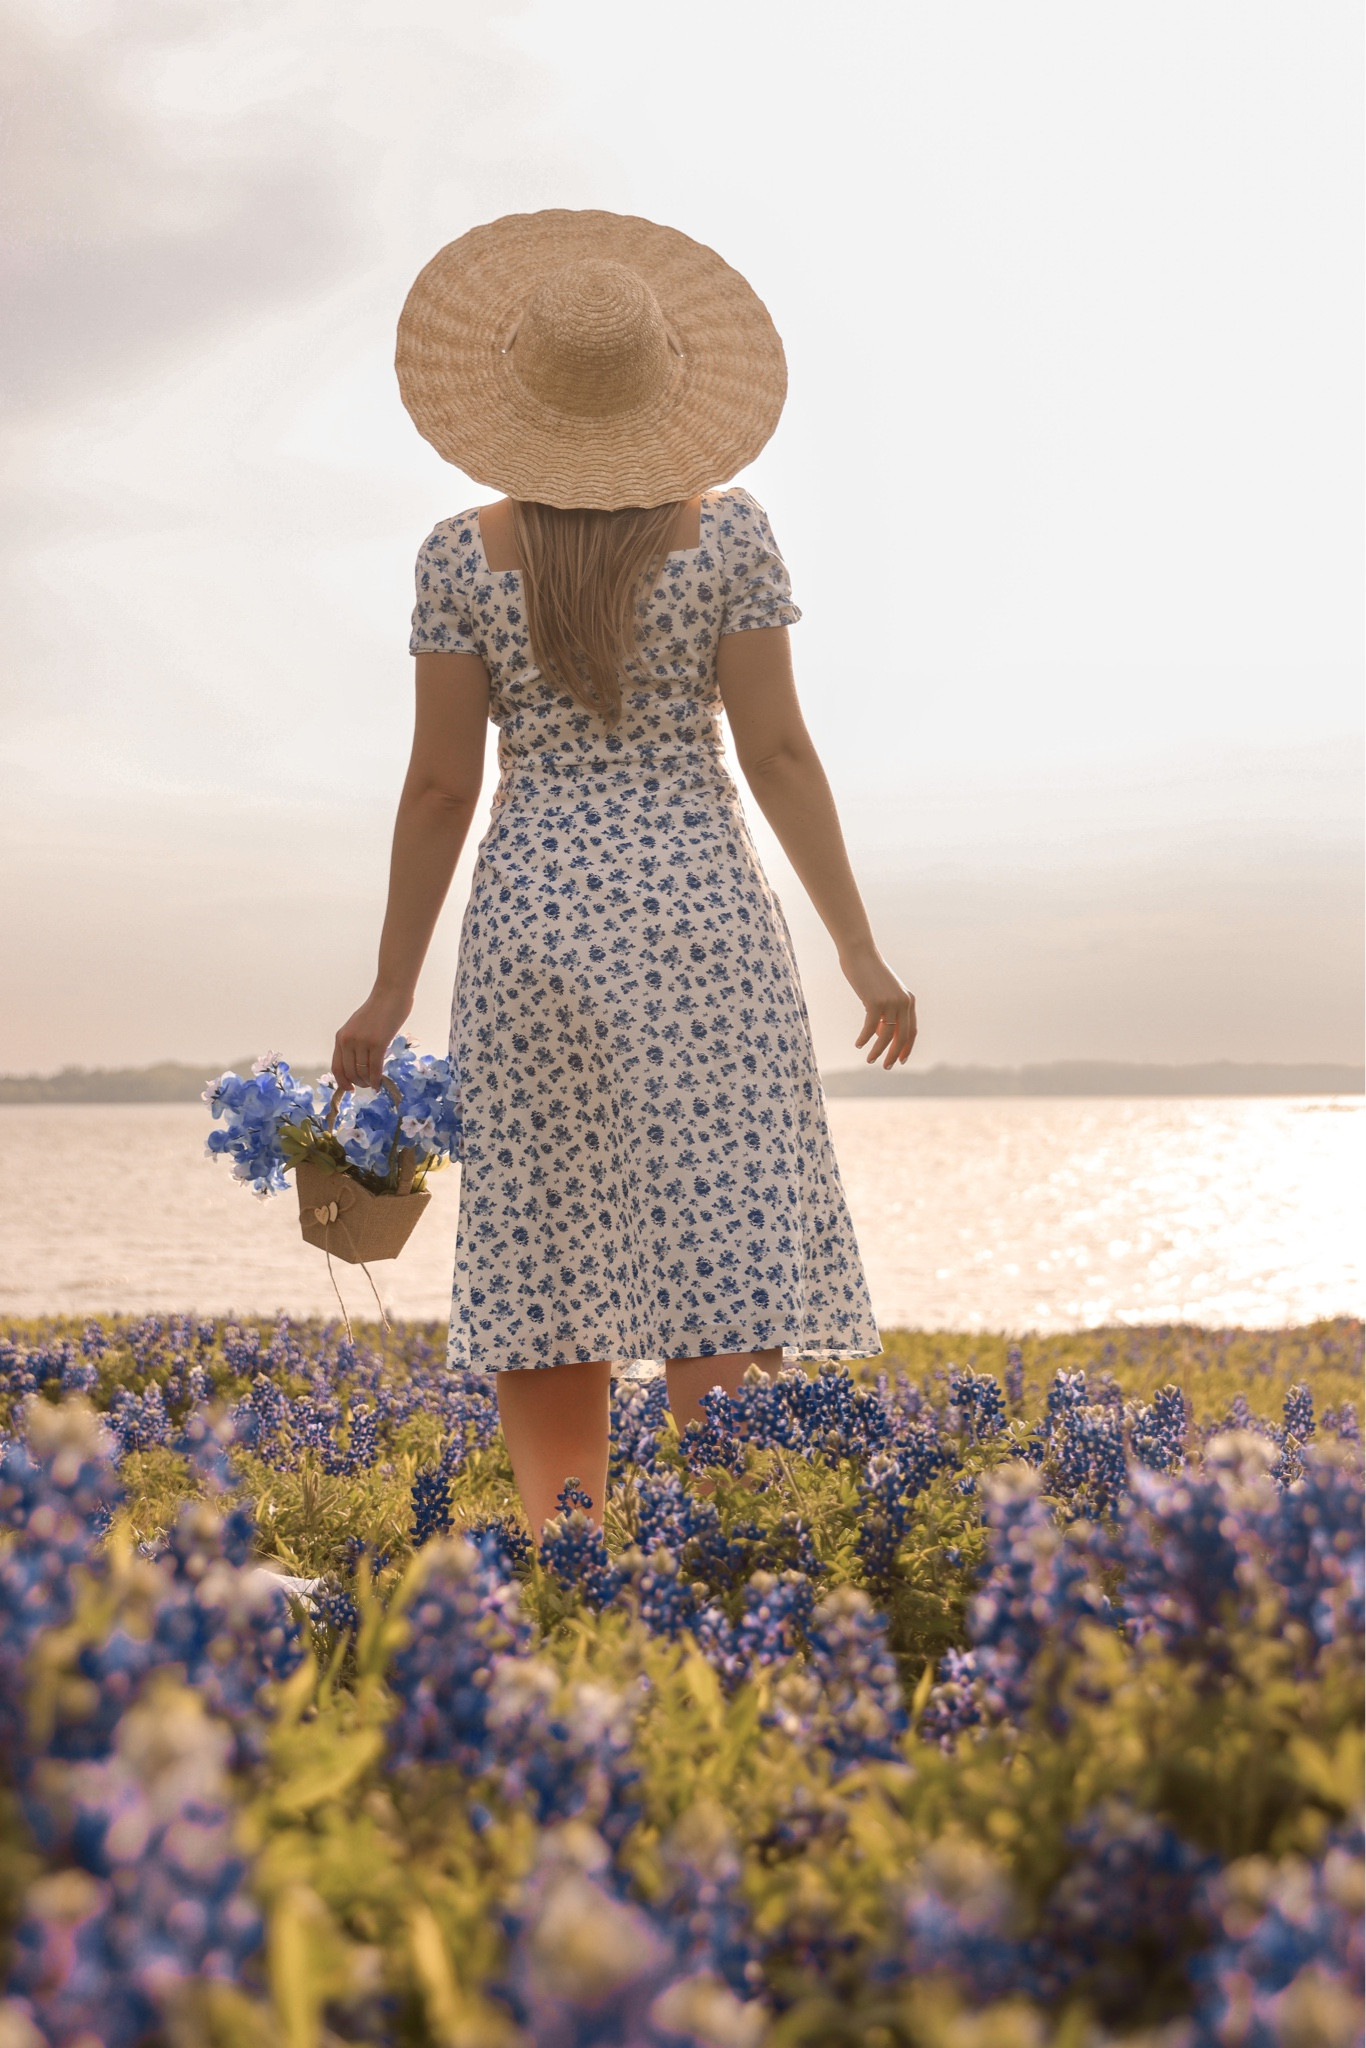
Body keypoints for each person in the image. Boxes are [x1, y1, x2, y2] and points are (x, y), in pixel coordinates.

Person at [331, 209, 916, 1544]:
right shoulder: (729, 538)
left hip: (534, 920)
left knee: (544, 1245)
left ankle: (571, 1563)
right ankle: (719, 1560)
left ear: (515, 394)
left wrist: (385, 994)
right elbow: (773, 750)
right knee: (720, 1236)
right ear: (666, 391)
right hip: (703, 913)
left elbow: (437, 788)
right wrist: (859, 951)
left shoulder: (456, 555)